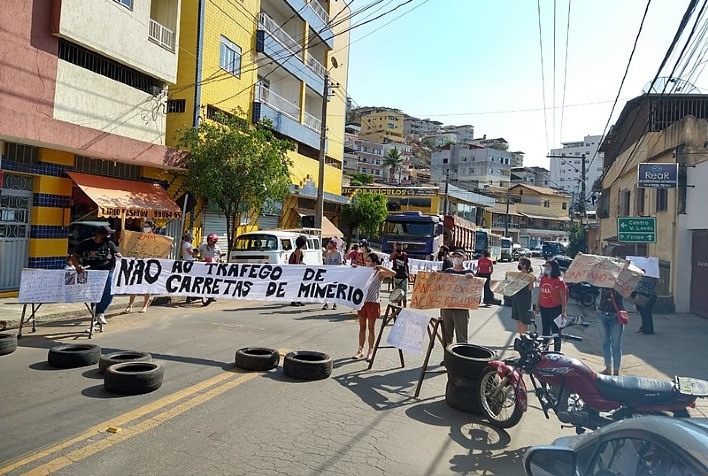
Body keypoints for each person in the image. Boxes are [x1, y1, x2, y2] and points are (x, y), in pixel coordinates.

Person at [70, 224, 122, 330]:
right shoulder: (85, 244)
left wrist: (118, 255)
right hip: (92, 273)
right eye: (106, 234)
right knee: (94, 294)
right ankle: (96, 314)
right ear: (99, 235)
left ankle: (100, 312)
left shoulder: (110, 244)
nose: (108, 236)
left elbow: (117, 253)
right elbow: (74, 257)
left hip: (107, 272)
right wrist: (77, 266)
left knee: (109, 291)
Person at [353, 253, 395, 361]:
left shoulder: (379, 274)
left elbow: (393, 273)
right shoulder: (364, 273)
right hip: (362, 302)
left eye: (368, 261)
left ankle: (370, 350)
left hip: (373, 303)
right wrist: (354, 268)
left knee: (371, 328)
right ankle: (360, 349)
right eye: (366, 261)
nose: (366, 262)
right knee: (362, 327)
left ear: (374, 263)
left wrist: (380, 267)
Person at [440, 248, 475, 345]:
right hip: (447, 308)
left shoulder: (469, 273)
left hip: (461, 309)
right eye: (455, 256)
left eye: (459, 256)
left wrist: (471, 279)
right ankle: (448, 358)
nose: (456, 258)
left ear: (464, 258)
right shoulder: (448, 271)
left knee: (462, 337)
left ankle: (461, 358)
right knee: (446, 336)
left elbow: (473, 290)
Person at [535, 259, 567, 352]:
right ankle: (545, 349)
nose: (546, 268)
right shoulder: (543, 279)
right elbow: (540, 293)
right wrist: (537, 306)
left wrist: (563, 311)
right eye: (546, 266)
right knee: (545, 330)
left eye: (549, 267)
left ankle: (557, 351)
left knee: (556, 331)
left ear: (554, 268)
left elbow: (563, 297)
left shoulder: (559, 281)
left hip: (556, 308)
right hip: (544, 307)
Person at [126, 220, 156, 314]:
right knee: (134, 284)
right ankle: (130, 304)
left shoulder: (157, 239)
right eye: (144, 226)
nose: (145, 228)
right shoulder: (138, 237)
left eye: (147, 226)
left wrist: (168, 247)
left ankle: (145, 305)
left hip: (150, 264)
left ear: (152, 228)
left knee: (147, 285)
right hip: (138, 263)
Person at [597, 287, 625, 375]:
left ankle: (616, 370)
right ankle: (608, 367)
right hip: (602, 313)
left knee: (616, 344)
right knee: (605, 342)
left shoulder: (621, 283)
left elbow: (625, 294)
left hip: (617, 315)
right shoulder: (603, 281)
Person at [511, 257, 535, 336]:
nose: (519, 265)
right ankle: (521, 335)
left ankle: (526, 336)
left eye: (520, 263)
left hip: (525, 299)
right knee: (518, 318)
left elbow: (530, 289)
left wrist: (531, 281)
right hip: (517, 298)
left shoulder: (529, 276)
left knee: (524, 318)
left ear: (524, 265)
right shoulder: (517, 275)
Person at [322, 238, 343, 310]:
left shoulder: (338, 254)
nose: (328, 245)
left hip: (336, 273)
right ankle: (326, 303)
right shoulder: (328, 254)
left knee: (335, 288)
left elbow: (340, 263)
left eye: (330, 244)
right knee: (328, 288)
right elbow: (326, 264)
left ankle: (335, 303)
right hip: (329, 273)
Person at [390, 242, 410, 308]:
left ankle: (404, 308)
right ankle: (399, 308)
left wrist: (408, 274)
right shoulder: (394, 255)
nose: (399, 248)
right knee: (398, 294)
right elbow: (390, 259)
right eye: (398, 247)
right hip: (396, 277)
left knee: (404, 294)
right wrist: (394, 250)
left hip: (404, 277)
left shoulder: (404, 255)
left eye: (400, 247)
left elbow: (406, 265)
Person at [289, 235, 307, 306]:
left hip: (294, 270)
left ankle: (298, 299)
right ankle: (294, 300)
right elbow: (297, 262)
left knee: (298, 286)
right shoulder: (299, 251)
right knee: (297, 286)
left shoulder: (296, 250)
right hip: (297, 271)